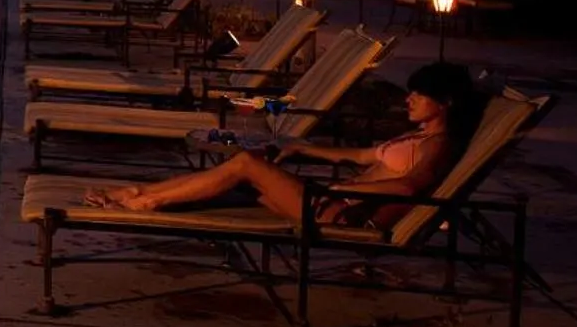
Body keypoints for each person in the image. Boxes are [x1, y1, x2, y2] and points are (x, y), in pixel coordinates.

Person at [83, 62, 483, 227]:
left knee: (246, 165)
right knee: (246, 169)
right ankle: (137, 192)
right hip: (332, 199)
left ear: (446, 102)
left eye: (419, 95)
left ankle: (145, 201)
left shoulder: (439, 146)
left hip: (340, 212)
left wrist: (345, 188)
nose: (408, 100)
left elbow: (411, 188)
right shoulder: (419, 135)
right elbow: (358, 155)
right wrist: (304, 148)